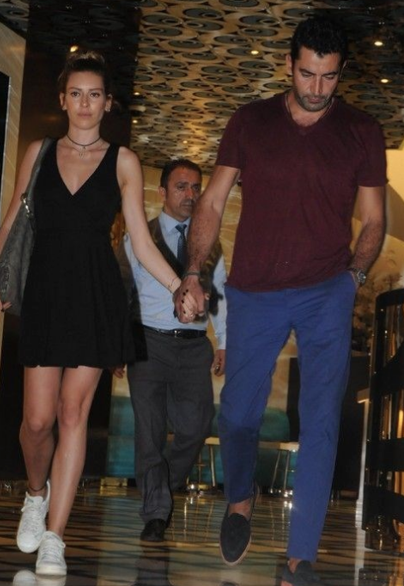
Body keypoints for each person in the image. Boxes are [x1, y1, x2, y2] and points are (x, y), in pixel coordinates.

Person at [173, 16, 387, 586]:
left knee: (322, 422)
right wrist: (193, 272)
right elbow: (212, 202)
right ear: (289, 65)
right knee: (238, 414)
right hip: (255, 290)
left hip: (327, 292)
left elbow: (373, 219)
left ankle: (299, 560)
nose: (317, 88)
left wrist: (353, 278)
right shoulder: (250, 121)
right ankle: (240, 499)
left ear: (341, 73)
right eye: (308, 74)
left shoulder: (362, 131)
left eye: (329, 77)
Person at [0, 51, 196, 577]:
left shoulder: (123, 161)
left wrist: (177, 286)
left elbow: (140, 240)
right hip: (46, 292)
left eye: (94, 95)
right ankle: (36, 493)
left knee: (73, 414)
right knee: (36, 421)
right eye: (76, 94)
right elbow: (12, 221)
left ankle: (55, 536)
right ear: (62, 99)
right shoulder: (39, 152)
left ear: (107, 103)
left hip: (96, 295)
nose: (84, 103)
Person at [115, 159, 227, 542]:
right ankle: (156, 514)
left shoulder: (209, 242)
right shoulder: (138, 236)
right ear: (162, 192)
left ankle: (159, 488)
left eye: (196, 188)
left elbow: (221, 294)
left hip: (194, 348)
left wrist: (224, 342)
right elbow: (121, 290)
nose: (190, 195)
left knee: (196, 427)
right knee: (149, 431)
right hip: (147, 343)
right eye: (181, 187)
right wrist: (117, 344)